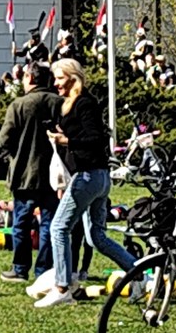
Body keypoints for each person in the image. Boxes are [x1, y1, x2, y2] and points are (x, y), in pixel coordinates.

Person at [35, 58, 140, 309]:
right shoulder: (69, 104)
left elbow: (96, 138)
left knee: (58, 228)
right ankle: (139, 274)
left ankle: (62, 287)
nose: (56, 83)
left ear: (73, 76)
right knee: (96, 237)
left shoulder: (85, 103)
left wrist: (66, 139)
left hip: (89, 176)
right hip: (97, 177)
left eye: (60, 78)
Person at [0, 63, 59, 283]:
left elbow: (4, 139)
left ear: (31, 79)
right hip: (54, 175)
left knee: (21, 224)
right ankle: (44, 271)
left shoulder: (20, 104)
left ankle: (20, 268)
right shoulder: (59, 103)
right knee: (49, 225)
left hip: (25, 174)